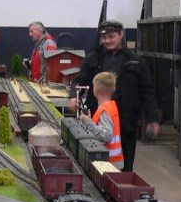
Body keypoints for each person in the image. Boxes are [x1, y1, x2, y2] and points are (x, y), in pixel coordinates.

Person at [68, 20, 159, 172]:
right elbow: (79, 81)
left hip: (126, 122)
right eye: (104, 38)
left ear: (121, 34)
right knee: (96, 165)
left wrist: (153, 118)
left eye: (111, 37)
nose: (108, 41)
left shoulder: (136, 62)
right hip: (99, 123)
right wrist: (73, 97)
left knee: (126, 167)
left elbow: (148, 91)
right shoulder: (93, 59)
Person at [80, 71, 124, 167]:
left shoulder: (104, 111)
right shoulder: (111, 106)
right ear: (113, 89)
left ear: (95, 90)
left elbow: (107, 136)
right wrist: (90, 121)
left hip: (108, 162)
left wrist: (88, 123)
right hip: (113, 160)